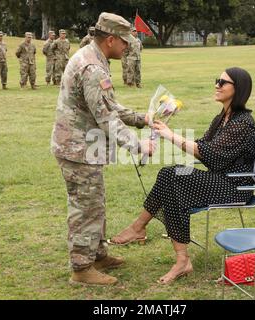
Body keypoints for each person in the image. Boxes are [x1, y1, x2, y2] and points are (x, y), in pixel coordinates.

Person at [110, 67, 255, 284]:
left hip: (235, 188)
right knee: (169, 175)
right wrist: (165, 129)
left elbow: (212, 155)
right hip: (220, 180)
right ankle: (153, 239)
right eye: (216, 80)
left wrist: (172, 136)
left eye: (223, 82)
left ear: (238, 89)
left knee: (173, 178)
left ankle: (144, 233)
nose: (217, 85)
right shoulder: (223, 117)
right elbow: (204, 146)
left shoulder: (242, 123)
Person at [50, 12, 155, 286]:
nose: (128, 46)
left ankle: (96, 255)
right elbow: (106, 118)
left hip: (83, 147)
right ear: (110, 39)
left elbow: (109, 105)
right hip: (78, 149)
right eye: (124, 42)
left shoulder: (94, 57)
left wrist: (140, 118)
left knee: (95, 203)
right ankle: (82, 269)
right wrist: (137, 145)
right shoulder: (93, 67)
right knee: (86, 207)